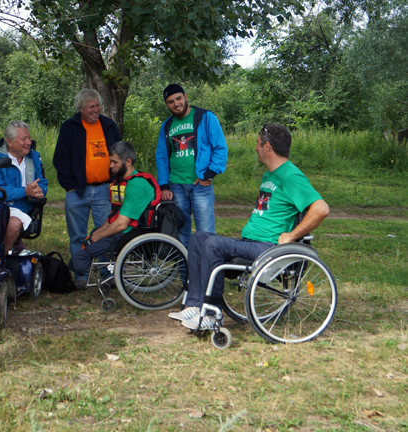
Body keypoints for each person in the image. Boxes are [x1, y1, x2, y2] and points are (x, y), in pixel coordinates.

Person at [168, 124, 330, 330]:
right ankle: (194, 304)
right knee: (199, 238)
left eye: (257, 143)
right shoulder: (270, 175)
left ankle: (210, 313)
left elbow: (321, 209)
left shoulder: (290, 176)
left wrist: (291, 235)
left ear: (267, 146)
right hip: (251, 242)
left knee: (214, 244)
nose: (255, 148)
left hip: (268, 248)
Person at [53, 89, 122, 288]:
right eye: (91, 106)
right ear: (81, 108)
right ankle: (81, 275)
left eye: (98, 105)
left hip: (104, 189)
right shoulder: (70, 127)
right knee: (77, 235)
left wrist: (116, 181)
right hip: (78, 191)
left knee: (106, 233)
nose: (96, 110)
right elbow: (61, 159)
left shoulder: (109, 125)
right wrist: (69, 186)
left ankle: (105, 274)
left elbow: (118, 154)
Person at [69, 141, 160, 277]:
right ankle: (90, 272)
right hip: (124, 230)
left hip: (132, 233)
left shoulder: (136, 186)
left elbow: (122, 224)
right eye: (110, 161)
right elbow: (114, 216)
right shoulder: (123, 182)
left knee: (85, 252)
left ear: (128, 162)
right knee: (92, 235)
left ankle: (83, 273)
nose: (110, 166)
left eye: (114, 162)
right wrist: (96, 234)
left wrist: (97, 237)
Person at [156, 84, 228, 248]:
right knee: (181, 234)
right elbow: (161, 156)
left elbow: (220, 147)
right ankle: (185, 272)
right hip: (176, 187)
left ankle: (208, 272)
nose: (176, 104)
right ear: (167, 104)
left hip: (200, 186)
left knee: (206, 234)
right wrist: (164, 185)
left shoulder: (205, 117)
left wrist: (210, 173)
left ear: (186, 96)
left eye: (178, 98)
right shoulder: (167, 126)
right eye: (170, 101)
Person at [0, 120, 48, 254]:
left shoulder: (34, 157)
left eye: (29, 138)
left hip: (23, 208)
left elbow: (43, 182)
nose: (29, 143)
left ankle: (0, 258)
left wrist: (39, 190)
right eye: (24, 139)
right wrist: (25, 191)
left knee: (13, 224)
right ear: (10, 142)